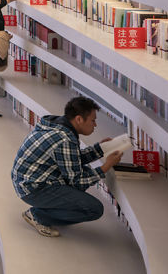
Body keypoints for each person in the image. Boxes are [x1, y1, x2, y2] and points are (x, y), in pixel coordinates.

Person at [11, 96, 123, 237]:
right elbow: (77, 182)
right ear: (79, 119)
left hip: (27, 181)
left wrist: (100, 149)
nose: (95, 125)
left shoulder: (57, 127)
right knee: (94, 209)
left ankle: (42, 211)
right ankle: (38, 215)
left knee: (84, 172)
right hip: (33, 188)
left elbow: (71, 158)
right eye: (93, 120)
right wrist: (106, 166)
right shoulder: (65, 139)